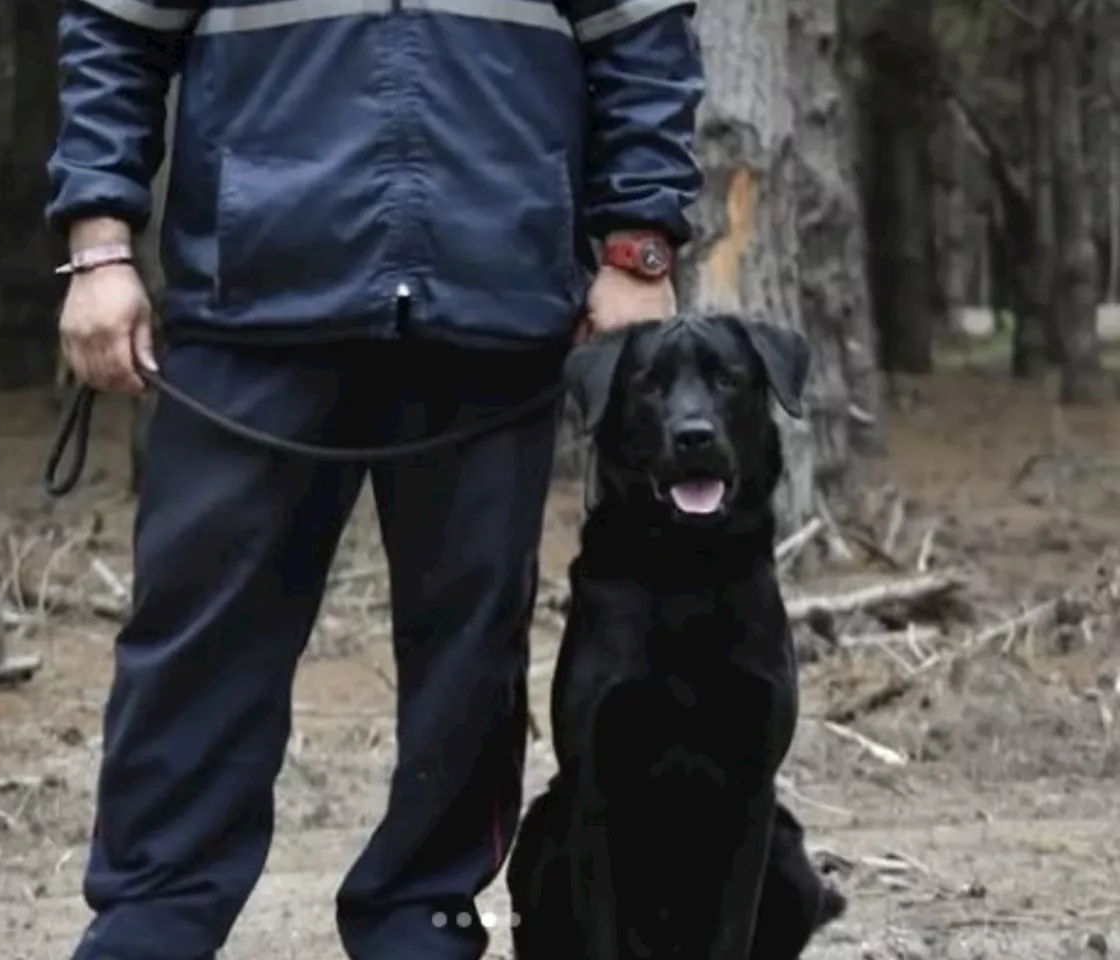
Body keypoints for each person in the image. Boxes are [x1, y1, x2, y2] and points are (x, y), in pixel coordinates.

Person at [46, 0, 704, 956]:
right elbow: (114, 29)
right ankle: (154, 918)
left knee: (472, 650)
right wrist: (98, 245)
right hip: (254, 293)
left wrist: (639, 244)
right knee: (198, 640)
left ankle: (421, 919)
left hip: (497, 287)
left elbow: (641, 34)